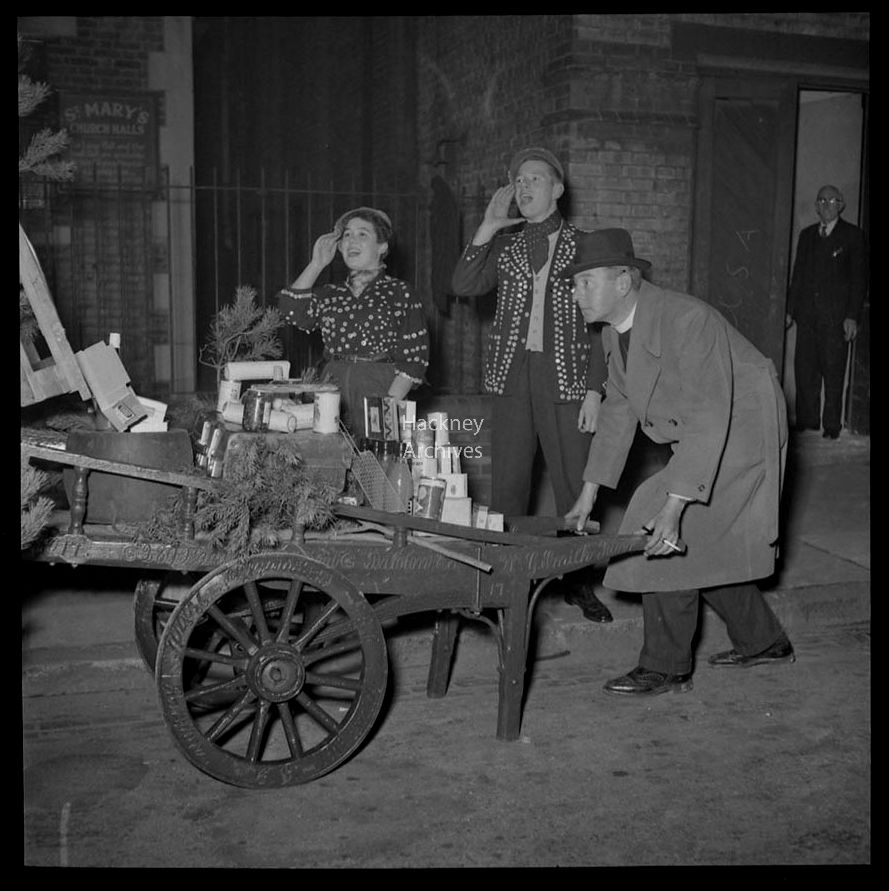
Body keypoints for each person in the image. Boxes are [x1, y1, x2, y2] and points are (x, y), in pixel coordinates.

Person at [564, 228, 795, 696]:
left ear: (623, 282)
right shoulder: (613, 333)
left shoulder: (687, 320)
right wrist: (588, 495)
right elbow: (619, 411)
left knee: (662, 524)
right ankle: (763, 641)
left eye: (586, 282)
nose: (576, 293)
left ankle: (666, 666)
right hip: (709, 427)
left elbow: (710, 415)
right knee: (703, 541)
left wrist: (674, 505)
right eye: (574, 284)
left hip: (743, 427)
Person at [451, 146, 612, 623]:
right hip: (511, 379)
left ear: (558, 189)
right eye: (518, 180)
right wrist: (487, 226)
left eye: (534, 179)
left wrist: (596, 389)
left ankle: (577, 580)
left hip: (567, 379)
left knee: (573, 484)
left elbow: (602, 326)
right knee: (508, 486)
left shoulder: (585, 244)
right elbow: (463, 284)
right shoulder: (506, 246)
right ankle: (506, 578)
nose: (523, 187)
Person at [276, 206, 429, 436]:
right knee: (331, 455)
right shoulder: (331, 294)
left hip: (382, 387)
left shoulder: (400, 292)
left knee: (379, 456)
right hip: (331, 388)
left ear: (382, 246)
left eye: (362, 234)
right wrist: (317, 263)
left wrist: (388, 407)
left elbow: (414, 359)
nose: (351, 241)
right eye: (346, 235)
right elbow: (290, 309)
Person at [786, 185, 868, 439]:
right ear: (816, 206)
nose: (827, 205)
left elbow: (859, 281)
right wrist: (790, 310)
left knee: (833, 373)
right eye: (822, 201)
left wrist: (852, 316)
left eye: (832, 201)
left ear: (841, 205)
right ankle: (807, 421)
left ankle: (832, 426)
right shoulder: (807, 235)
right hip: (808, 318)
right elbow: (797, 277)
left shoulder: (853, 236)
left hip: (836, 320)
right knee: (805, 371)